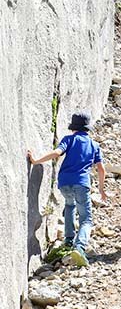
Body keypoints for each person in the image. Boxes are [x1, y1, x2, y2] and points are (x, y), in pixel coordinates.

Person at [27, 111, 106, 267]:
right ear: (87, 129)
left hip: (64, 182)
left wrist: (36, 160)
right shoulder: (94, 145)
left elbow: (57, 153)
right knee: (86, 219)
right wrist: (102, 189)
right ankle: (80, 247)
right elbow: (101, 169)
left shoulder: (69, 139)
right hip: (82, 183)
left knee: (69, 206)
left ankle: (68, 240)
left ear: (73, 127)